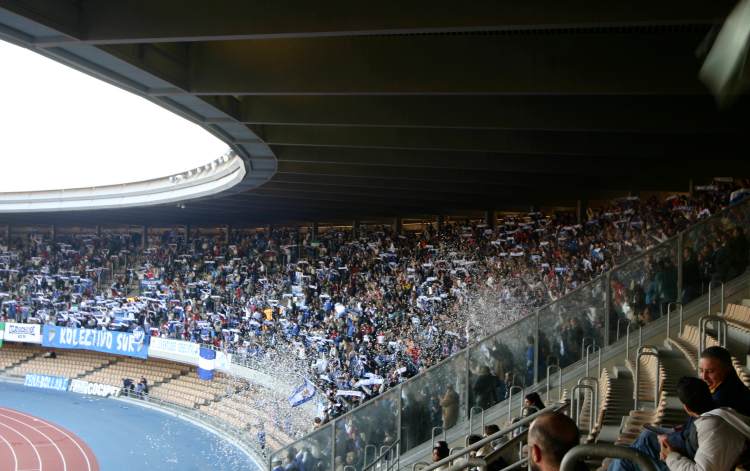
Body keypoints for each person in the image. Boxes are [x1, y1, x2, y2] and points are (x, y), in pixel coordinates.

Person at [608, 346, 750, 471]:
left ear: (727, 369)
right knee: (643, 440)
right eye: (701, 370)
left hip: (688, 454)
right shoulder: (721, 388)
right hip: (689, 443)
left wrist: (671, 454)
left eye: (710, 371)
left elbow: (704, 447)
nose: (704, 377)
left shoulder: (724, 402)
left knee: (626, 458)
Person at [659, 376, 747, 471]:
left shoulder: (712, 428)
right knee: (649, 437)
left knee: (646, 440)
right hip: (690, 450)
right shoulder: (724, 411)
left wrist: (670, 456)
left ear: (687, 408)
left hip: (689, 458)